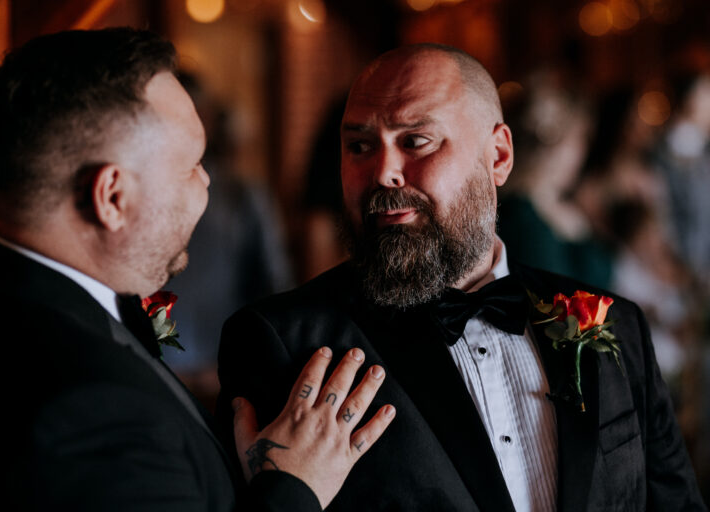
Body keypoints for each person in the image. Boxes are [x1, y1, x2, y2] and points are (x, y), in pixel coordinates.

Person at [217, 44, 706, 511]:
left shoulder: (615, 323)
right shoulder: (282, 342)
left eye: (415, 141)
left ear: (498, 156)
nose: (384, 171)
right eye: (360, 145)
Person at [0, 28, 395, 511]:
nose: (205, 184)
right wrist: (292, 488)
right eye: (192, 165)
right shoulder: (94, 413)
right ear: (112, 197)